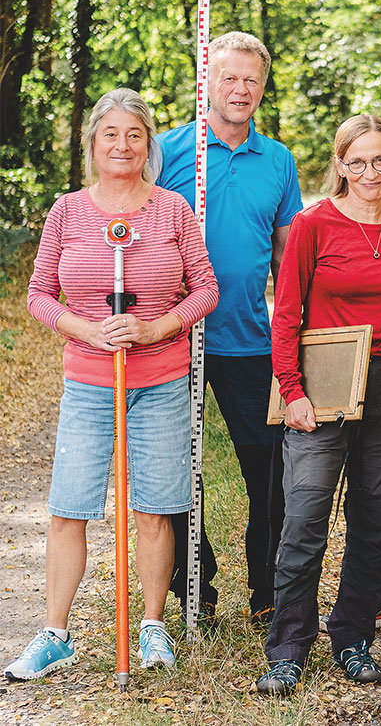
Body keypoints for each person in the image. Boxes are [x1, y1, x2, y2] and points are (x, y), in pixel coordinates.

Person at [4, 88, 219, 681]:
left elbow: (205, 289)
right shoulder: (67, 211)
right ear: (93, 142)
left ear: (148, 145)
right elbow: (39, 294)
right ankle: (56, 633)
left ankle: (152, 626)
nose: (121, 145)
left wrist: (154, 327)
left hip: (162, 378)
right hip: (91, 381)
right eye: (110, 134)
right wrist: (87, 330)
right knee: (69, 507)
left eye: (133, 135)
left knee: (153, 509)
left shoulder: (173, 209)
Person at [257, 114, 381, 696]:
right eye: (358, 161)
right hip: (319, 388)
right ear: (340, 165)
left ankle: (351, 638)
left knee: (374, 520)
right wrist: (291, 392)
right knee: (305, 521)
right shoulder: (311, 225)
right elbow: (287, 313)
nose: (371, 172)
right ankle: (288, 650)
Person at [157, 31, 303, 627]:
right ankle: (196, 589)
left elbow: (288, 256)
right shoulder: (167, 150)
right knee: (172, 471)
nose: (240, 89)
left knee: (269, 474)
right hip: (171, 339)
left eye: (252, 80)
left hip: (249, 340)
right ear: (206, 80)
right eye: (229, 77)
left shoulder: (278, 160)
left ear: (263, 88)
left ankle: (267, 592)